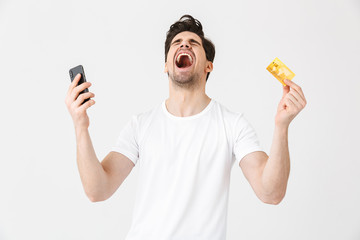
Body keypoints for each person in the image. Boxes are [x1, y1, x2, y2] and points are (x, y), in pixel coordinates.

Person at [65, 15, 307, 240]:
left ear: (208, 66)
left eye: (193, 43)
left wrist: (281, 126)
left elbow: (271, 193)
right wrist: (80, 126)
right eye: (177, 43)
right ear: (166, 66)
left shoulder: (233, 125)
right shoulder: (140, 125)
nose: (184, 45)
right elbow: (98, 190)